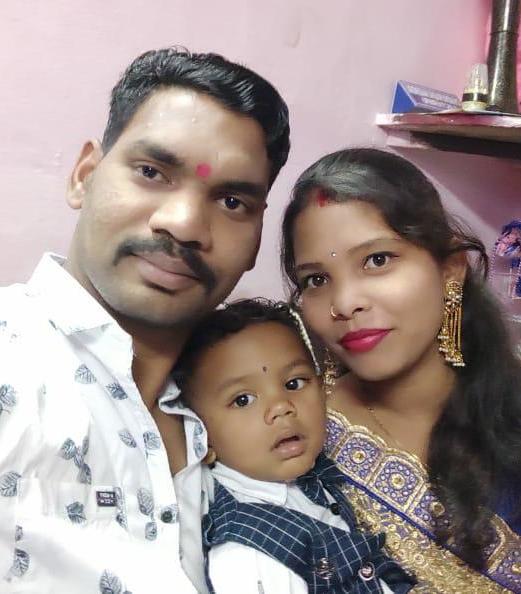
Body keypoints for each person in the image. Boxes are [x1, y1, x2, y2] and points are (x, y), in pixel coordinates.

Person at [0, 47, 290, 594]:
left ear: (256, 240)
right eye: (152, 172)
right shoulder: (12, 355)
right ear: (84, 176)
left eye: (232, 201)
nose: (184, 224)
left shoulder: (244, 410)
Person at [280, 148, 521, 594]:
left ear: (450, 270)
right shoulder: (296, 435)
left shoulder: (509, 408)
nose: (344, 303)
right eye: (316, 279)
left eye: (377, 260)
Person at [172, 298, 415, 594]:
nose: (281, 407)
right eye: (243, 400)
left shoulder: (316, 480)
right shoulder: (248, 557)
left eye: (294, 384)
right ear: (202, 436)